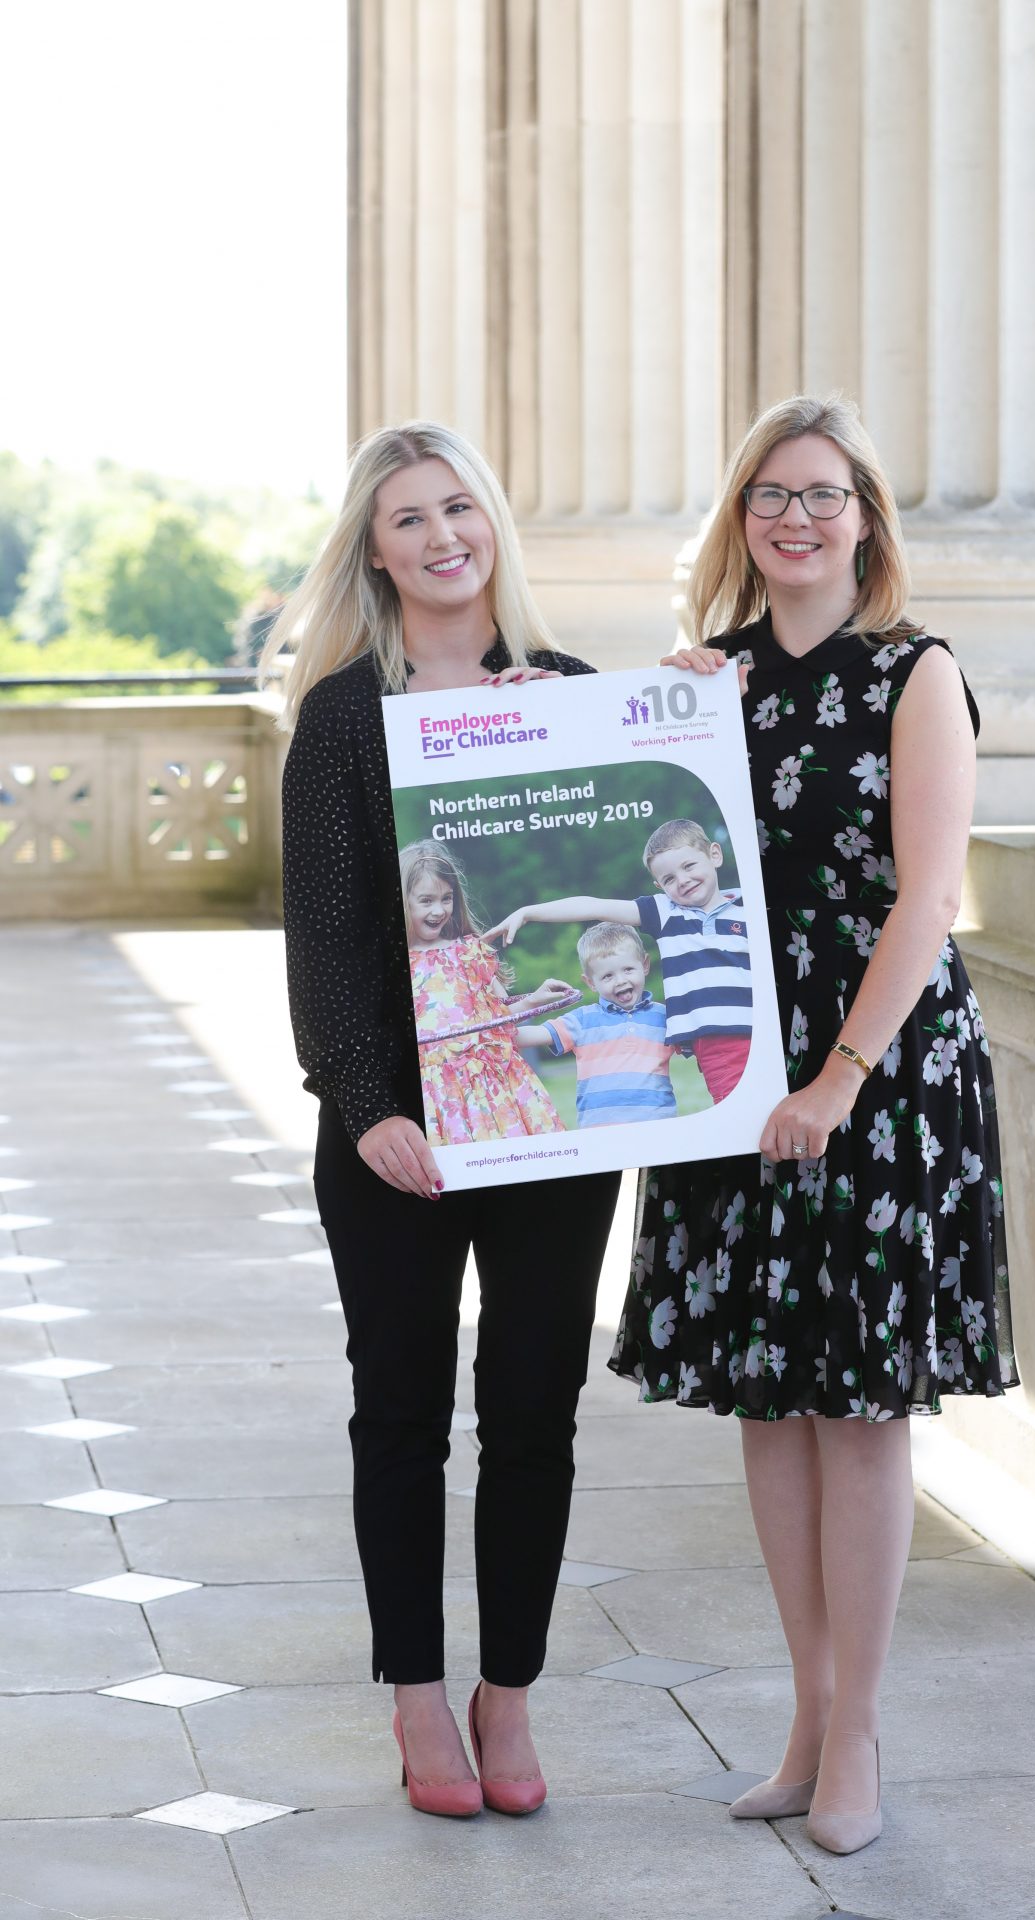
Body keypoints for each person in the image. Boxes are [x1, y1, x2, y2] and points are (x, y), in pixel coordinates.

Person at [608, 393, 1018, 1856]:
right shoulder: (702, 682)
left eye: (823, 495)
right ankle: (803, 1708)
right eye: (769, 494)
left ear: (865, 521)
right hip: (732, 1076)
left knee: (856, 1414)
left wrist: (838, 1080)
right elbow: (658, 882)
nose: (795, 517)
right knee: (770, 1408)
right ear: (740, 519)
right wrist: (654, 736)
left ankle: (860, 1733)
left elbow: (927, 902)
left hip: (877, 1077)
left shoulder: (917, 673)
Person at [262, 422, 621, 1819]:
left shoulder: (573, 700)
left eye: (457, 507)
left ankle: (508, 1697)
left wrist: (691, 705)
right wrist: (367, 1110)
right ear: (375, 551)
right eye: (407, 518)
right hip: (394, 1141)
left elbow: (642, 899)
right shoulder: (347, 718)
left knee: (535, 1410)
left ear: (493, 526)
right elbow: (330, 944)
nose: (439, 537)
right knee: (401, 1418)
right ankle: (418, 1698)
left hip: (548, 1131)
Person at [488, 816, 753, 1102]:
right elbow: (593, 906)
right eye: (669, 879)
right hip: (718, 1044)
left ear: (714, 854)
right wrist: (528, 912)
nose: (683, 881)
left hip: (762, 1026)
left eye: (689, 866)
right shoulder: (666, 912)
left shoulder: (749, 907)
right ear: (658, 885)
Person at [400, 840, 568, 1145]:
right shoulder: (393, 966)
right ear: (402, 899)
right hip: (435, 1096)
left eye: (446, 898)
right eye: (426, 900)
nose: (439, 910)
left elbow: (496, 1022)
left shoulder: (469, 953)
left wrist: (532, 1001)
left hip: (492, 1086)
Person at [517, 923, 677, 1127]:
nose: (620, 980)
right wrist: (487, 1029)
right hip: (599, 1132)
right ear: (591, 982)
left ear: (645, 965)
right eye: (607, 976)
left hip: (658, 1127)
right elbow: (530, 1035)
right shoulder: (583, 1020)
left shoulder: (666, 1016)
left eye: (628, 969)